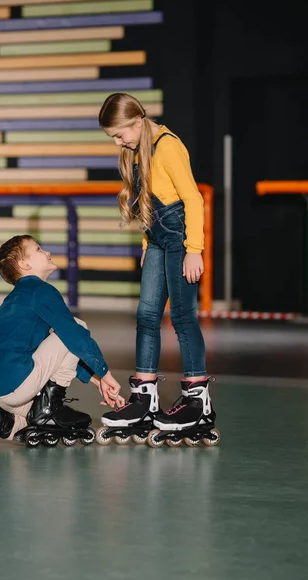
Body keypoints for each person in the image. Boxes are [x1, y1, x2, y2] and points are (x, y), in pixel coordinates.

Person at [97, 93, 216, 439]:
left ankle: (197, 400)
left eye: (120, 134)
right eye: (113, 138)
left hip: (181, 243)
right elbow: (149, 203)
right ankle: (144, 397)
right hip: (159, 243)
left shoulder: (167, 146)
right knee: (147, 316)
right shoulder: (137, 151)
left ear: (137, 121)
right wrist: (147, 244)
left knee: (181, 316)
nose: (118, 142)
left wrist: (195, 250)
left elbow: (192, 199)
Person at [0, 234, 124, 446]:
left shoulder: (17, 298)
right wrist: (105, 373)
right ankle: (50, 409)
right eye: (39, 249)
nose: (47, 252)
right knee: (77, 327)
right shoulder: (41, 291)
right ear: (24, 264)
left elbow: (54, 353)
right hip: (18, 385)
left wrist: (96, 379)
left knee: (30, 423)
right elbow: (73, 337)